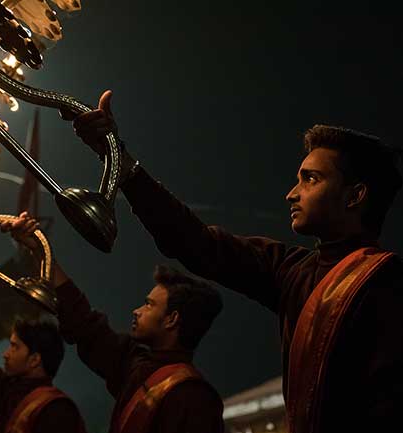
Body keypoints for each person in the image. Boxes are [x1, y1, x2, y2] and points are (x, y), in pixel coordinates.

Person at [71, 90, 403, 432]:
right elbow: (194, 242)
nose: (292, 193)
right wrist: (118, 159)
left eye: (311, 179)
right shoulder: (291, 269)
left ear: (355, 195)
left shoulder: (387, 284)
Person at [2, 214, 224, 433]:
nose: (136, 311)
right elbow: (84, 323)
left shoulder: (194, 398)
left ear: (171, 319)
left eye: (148, 305)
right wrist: (41, 251)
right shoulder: (135, 363)